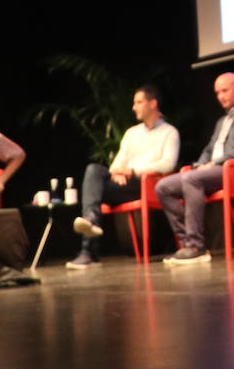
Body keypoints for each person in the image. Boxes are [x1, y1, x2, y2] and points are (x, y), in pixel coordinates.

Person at [156, 73, 234, 264]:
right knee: (163, 186)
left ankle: (196, 246)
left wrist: (214, 164)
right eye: (217, 93)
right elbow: (209, 149)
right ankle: (187, 242)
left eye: (225, 90)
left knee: (191, 179)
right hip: (213, 172)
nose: (220, 96)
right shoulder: (221, 121)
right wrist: (200, 165)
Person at [66, 85, 179, 269]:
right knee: (94, 170)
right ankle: (90, 220)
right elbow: (116, 164)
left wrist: (132, 171)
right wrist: (118, 172)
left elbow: (168, 164)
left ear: (153, 104)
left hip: (146, 184)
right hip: (123, 184)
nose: (134, 107)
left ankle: (88, 252)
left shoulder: (169, 132)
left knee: (94, 191)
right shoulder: (131, 133)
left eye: (138, 102)